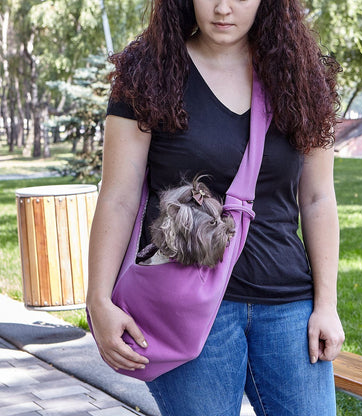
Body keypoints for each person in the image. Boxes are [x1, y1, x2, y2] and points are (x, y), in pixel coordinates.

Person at [86, 0, 345, 414]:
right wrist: (99, 300)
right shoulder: (148, 73)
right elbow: (118, 196)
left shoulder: (301, 76)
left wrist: (326, 306)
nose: (223, 8)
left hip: (288, 307)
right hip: (182, 304)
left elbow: (318, 199)